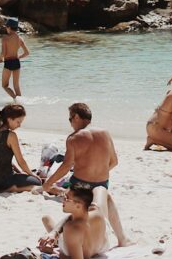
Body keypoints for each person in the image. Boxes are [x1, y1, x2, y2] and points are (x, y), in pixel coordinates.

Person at [43, 103, 129, 247]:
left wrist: (48, 183)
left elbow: (66, 166)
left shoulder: (73, 138)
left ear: (76, 116)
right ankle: (122, 239)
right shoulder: (105, 133)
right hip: (102, 184)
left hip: (80, 184)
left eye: (70, 119)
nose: (71, 124)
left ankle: (56, 234)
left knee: (77, 215)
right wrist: (98, 171)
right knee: (107, 201)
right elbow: (114, 162)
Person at [37, 185, 112, 259]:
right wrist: (54, 233)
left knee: (46, 219)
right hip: (98, 248)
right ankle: (122, 240)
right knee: (46, 219)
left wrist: (56, 253)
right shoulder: (96, 212)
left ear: (78, 206)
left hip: (76, 248)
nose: (62, 199)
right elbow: (71, 218)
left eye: (66, 198)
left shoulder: (71, 228)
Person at [0, 104, 41, 192]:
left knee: (24, 177)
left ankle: (12, 186)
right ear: (9, 119)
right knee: (37, 182)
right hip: (2, 181)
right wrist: (31, 174)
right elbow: (21, 161)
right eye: (18, 122)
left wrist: (19, 172)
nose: (19, 125)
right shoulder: (11, 136)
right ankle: (15, 188)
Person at [0, 17, 30, 100]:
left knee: (4, 85)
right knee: (16, 86)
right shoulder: (20, 38)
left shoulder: (5, 38)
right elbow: (27, 53)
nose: (6, 29)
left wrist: (0, 59)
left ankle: (15, 99)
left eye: (6, 27)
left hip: (8, 63)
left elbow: (3, 52)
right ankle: (20, 103)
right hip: (16, 62)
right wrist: (18, 57)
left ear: (9, 27)